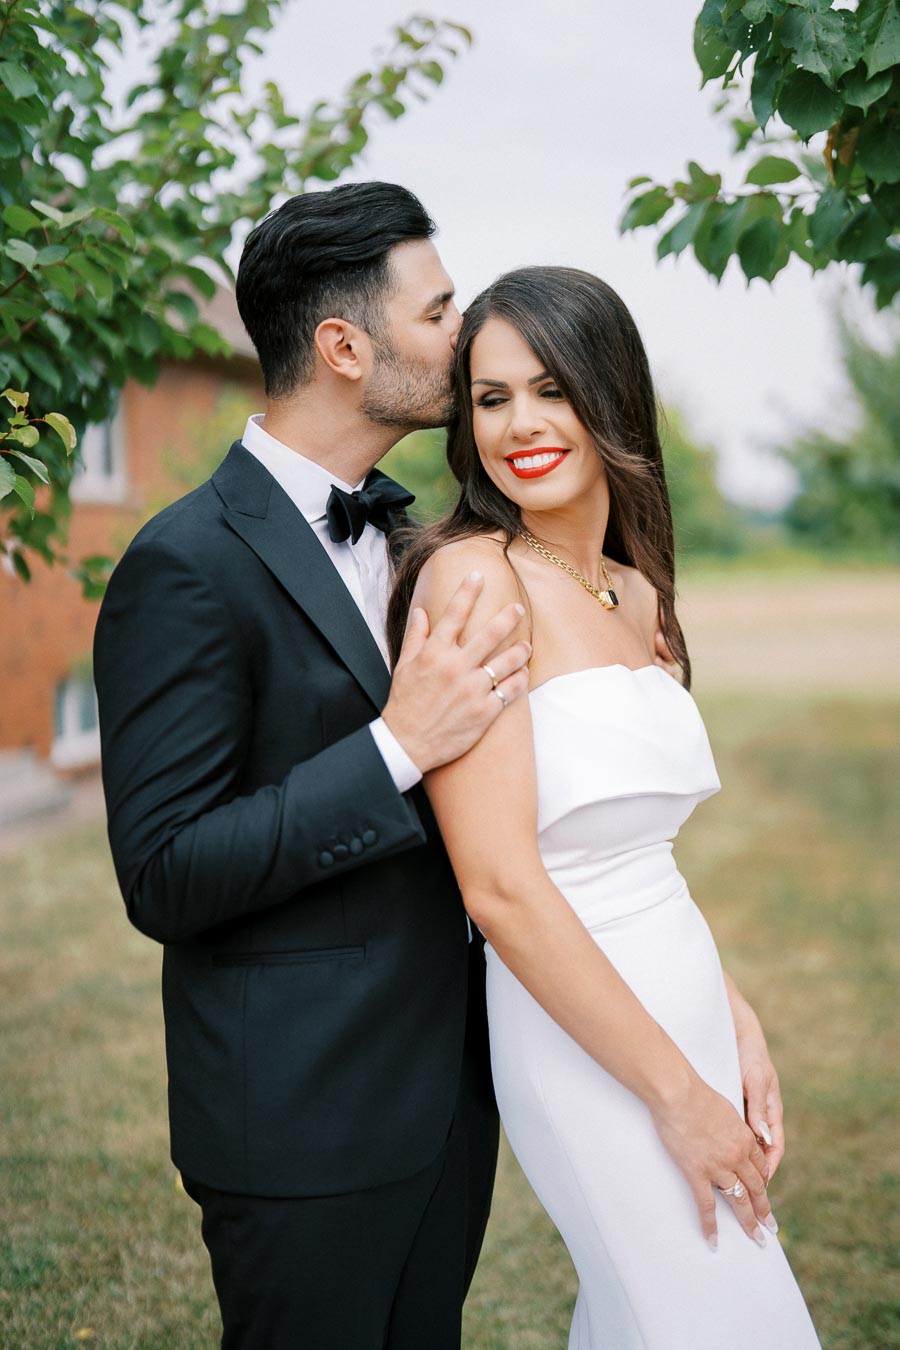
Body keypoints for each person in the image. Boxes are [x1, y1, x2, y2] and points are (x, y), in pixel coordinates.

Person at [92, 182, 537, 1349]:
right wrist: (398, 746)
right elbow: (168, 873)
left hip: (446, 1101)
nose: (466, 329)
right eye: (438, 312)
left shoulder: (409, 540)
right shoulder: (183, 563)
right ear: (345, 346)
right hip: (300, 1125)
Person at [386, 266, 821, 1348]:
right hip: (582, 1040)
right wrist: (676, 1092)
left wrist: (734, 1016)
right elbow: (498, 885)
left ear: (610, 394)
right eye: (491, 399)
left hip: (681, 1009)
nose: (521, 425)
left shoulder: (635, 592)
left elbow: (643, 857)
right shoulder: (475, 580)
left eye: (551, 389)